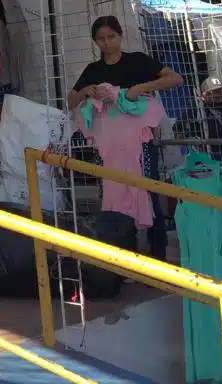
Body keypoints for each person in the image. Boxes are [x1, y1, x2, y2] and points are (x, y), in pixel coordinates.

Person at [68, 16, 183, 260]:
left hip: (140, 143)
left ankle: (157, 254)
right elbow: (71, 100)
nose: (107, 43)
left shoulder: (138, 61)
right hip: (108, 145)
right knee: (114, 192)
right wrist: (86, 92)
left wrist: (139, 89)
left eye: (111, 37)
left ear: (120, 36)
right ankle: (126, 255)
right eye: (101, 39)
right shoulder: (94, 70)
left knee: (147, 188)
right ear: (95, 42)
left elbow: (174, 78)